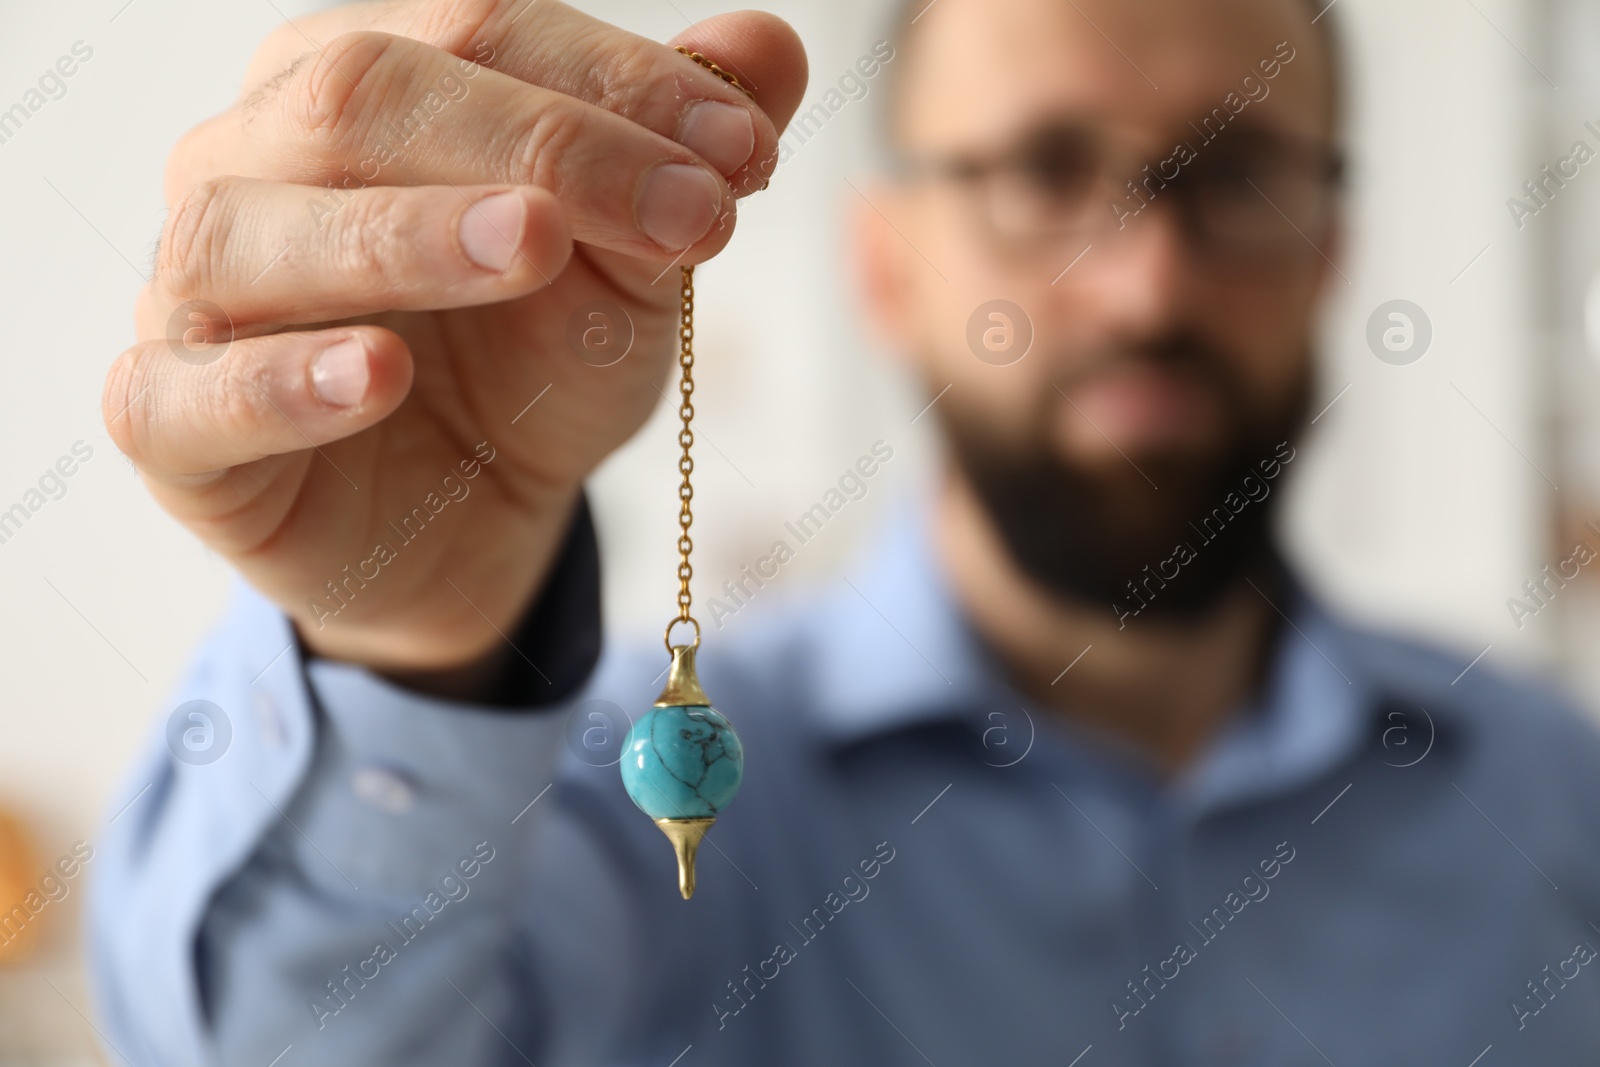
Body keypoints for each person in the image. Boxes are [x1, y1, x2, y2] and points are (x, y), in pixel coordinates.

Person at [89, 0, 1600, 1062]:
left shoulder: (1555, 800)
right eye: (1042, 172)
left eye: (1238, 178)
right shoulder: (623, 813)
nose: (1146, 286)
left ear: (1332, 255)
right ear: (886, 265)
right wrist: (408, 640)